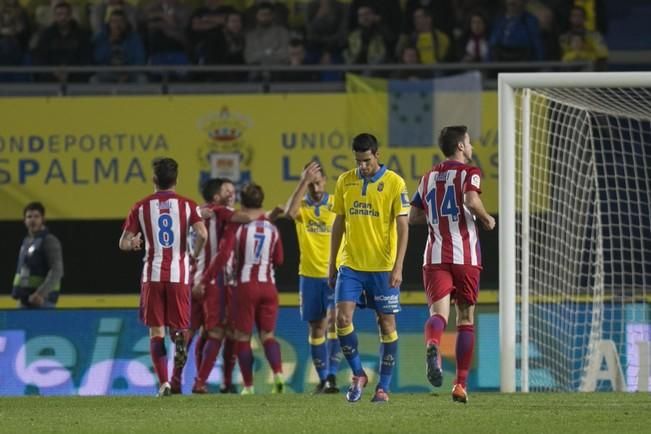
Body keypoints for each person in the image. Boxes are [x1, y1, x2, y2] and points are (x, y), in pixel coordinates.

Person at [408, 126, 495, 404]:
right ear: (460, 145)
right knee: (466, 319)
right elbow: (471, 199)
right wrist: (486, 218)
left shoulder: (428, 177)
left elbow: (413, 217)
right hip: (465, 256)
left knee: (439, 315)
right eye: (468, 142)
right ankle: (459, 385)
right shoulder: (470, 172)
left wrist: (436, 216)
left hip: (434, 255)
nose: (471, 147)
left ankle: (433, 344)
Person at [328, 133, 410, 403]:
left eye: (366, 160)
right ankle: (358, 374)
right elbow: (338, 222)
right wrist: (332, 263)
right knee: (341, 319)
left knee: (386, 324)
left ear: (377, 155)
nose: (362, 166)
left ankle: (383, 387)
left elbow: (403, 226)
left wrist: (398, 267)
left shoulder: (395, 183)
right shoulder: (345, 181)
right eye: (358, 161)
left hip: (382, 267)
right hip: (350, 264)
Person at [119, 157, 207, 397]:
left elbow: (123, 243)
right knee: (178, 327)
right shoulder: (188, 205)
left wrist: (135, 242)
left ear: (153, 179)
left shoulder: (141, 206)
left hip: (153, 275)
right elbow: (203, 234)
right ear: (176, 179)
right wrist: (192, 255)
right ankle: (179, 338)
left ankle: (164, 383)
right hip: (179, 274)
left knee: (156, 331)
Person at [196, 183, 285, 395]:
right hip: (269, 286)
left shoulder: (238, 227)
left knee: (242, 337)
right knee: (268, 335)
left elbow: (224, 255)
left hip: (244, 287)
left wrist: (205, 279)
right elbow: (279, 260)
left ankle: (248, 385)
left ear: (242, 203)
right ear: (261, 201)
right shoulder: (272, 228)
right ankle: (278, 374)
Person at [169, 177, 237, 394]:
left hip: (189, 278)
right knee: (216, 332)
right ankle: (200, 382)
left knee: (190, 333)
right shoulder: (221, 213)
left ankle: (176, 380)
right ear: (216, 196)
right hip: (212, 281)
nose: (230, 194)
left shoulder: (191, 212)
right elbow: (224, 252)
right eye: (227, 191)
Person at [283, 161, 342, 394]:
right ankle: (324, 378)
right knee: (317, 328)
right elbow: (289, 212)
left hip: (334, 274)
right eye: (311, 185)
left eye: (318, 183)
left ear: (325, 181)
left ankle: (334, 376)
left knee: (337, 322)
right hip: (309, 275)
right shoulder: (303, 207)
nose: (315, 189)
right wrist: (303, 181)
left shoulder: (335, 204)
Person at [12, 202, 64, 309]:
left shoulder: (49, 241)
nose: (32, 220)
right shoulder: (27, 242)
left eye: (36, 216)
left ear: (43, 219)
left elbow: (57, 270)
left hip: (42, 302)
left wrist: (41, 293)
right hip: (25, 300)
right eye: (29, 217)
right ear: (24, 221)